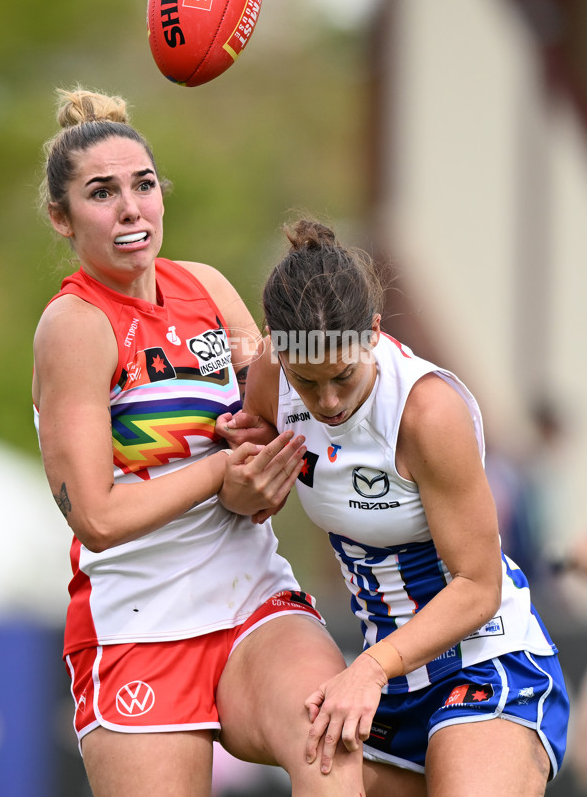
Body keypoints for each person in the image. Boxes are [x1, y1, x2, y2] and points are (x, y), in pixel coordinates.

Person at [32, 91, 366, 797]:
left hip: (253, 605)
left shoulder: (207, 289)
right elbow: (97, 517)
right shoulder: (75, 326)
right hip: (138, 625)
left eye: (143, 185)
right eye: (102, 193)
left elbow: (275, 413)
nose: (130, 208)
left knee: (331, 748)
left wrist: (264, 471)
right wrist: (222, 473)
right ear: (62, 218)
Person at [216, 219, 570, 797]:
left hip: (482, 658)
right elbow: (248, 493)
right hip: (386, 681)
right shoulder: (273, 373)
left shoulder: (427, 413)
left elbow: (478, 586)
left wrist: (372, 667)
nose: (328, 401)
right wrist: (245, 485)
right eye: (309, 382)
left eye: (343, 376)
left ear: (374, 332)